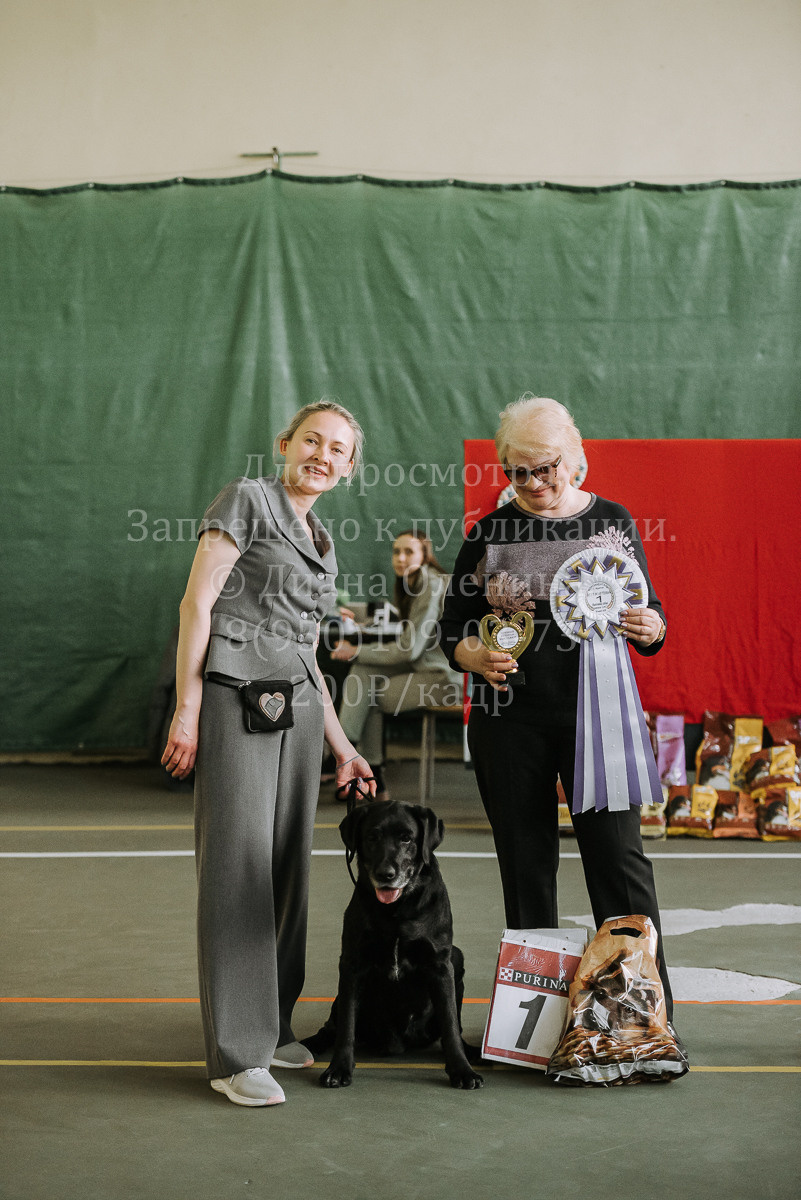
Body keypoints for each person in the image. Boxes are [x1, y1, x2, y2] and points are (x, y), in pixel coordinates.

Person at [161, 400, 376, 1107]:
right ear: (285, 444)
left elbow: (309, 651)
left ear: (348, 468)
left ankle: (272, 1025)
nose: (322, 453)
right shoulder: (248, 498)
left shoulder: (321, 538)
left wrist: (342, 745)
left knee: (285, 871)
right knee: (237, 869)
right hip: (234, 697)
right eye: (311, 440)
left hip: (299, 712)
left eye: (337, 449)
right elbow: (200, 603)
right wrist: (187, 707)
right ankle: (233, 1052)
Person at [438, 395, 676, 1023]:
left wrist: (652, 627)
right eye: (517, 472)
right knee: (526, 869)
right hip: (506, 720)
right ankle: (535, 1026)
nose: (533, 483)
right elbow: (451, 631)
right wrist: (474, 657)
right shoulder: (487, 532)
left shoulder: (614, 520)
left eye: (546, 467)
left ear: (575, 460)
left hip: (600, 721)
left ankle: (641, 1018)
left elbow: (651, 616)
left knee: (620, 866)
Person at [331, 530, 462, 801]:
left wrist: (355, 650)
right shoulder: (414, 583)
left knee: (371, 694)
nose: (401, 558)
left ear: (425, 556)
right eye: (396, 552)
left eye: (409, 552)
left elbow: (409, 649)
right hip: (422, 668)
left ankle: (348, 756)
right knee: (363, 674)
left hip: (443, 678)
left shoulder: (430, 584)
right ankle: (359, 760)